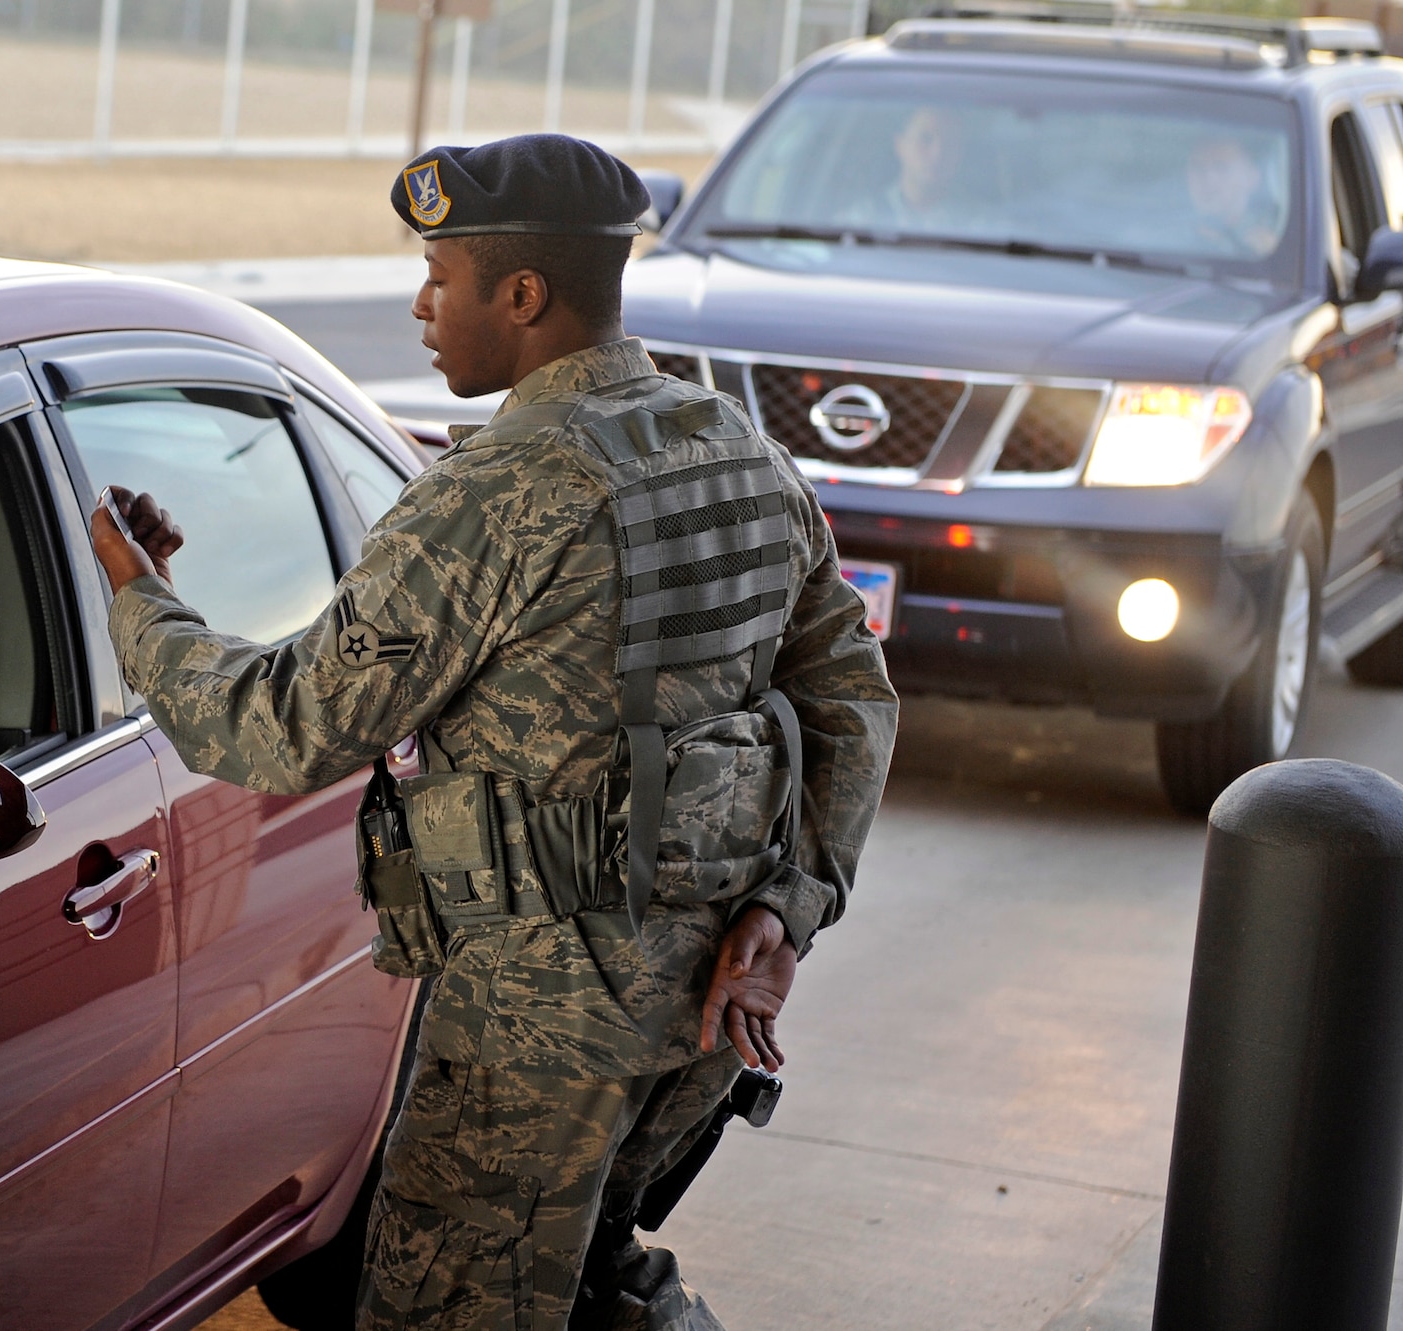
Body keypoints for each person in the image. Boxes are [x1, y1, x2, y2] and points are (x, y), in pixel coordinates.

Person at [91, 134, 897, 1331]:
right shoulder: (736, 450)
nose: (420, 306)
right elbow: (849, 697)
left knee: (449, 1304)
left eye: (440, 276)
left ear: (521, 296)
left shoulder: (502, 492)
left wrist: (138, 599)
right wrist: (791, 903)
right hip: (709, 999)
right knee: (579, 1277)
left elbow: (283, 724)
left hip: (540, 1021)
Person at [850, 105, 968, 233]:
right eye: (926, 139)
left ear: (960, 154)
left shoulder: (981, 225)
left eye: (949, 143)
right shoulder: (858, 225)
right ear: (900, 145)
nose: (937, 153)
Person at [1186, 134, 1280, 258]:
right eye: (1198, 168)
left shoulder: (1273, 239)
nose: (1209, 178)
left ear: (1251, 177)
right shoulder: (1163, 237)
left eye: (1221, 167)